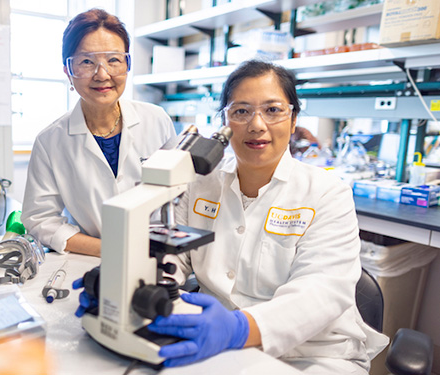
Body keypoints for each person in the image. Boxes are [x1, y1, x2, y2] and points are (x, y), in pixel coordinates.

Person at [75, 60, 388, 373]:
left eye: (273, 110)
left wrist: (240, 328)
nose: (256, 125)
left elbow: (321, 292)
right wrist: (123, 283)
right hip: (216, 344)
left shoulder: (327, 192)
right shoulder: (200, 182)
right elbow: (174, 258)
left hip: (312, 356)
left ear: (293, 120)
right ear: (225, 122)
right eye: (241, 111)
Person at [21, 9, 175, 256]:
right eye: (86, 61)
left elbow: (180, 195)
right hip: (92, 260)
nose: (102, 74)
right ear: (68, 72)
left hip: (158, 256)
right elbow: (40, 219)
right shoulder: (50, 142)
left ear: (127, 65)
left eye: (114, 60)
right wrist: (111, 250)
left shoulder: (156, 121)